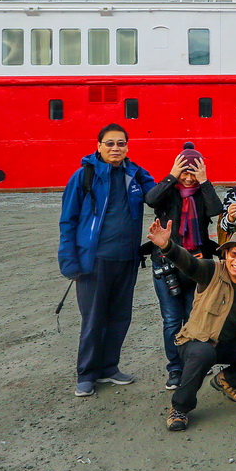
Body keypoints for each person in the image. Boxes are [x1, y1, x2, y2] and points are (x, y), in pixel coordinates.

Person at [145, 220, 236, 431]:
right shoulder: (210, 271)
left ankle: (227, 380)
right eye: (234, 254)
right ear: (226, 255)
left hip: (230, 343)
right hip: (198, 341)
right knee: (203, 355)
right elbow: (188, 263)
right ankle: (180, 408)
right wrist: (167, 246)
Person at [57, 124, 156, 397]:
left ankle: (109, 367)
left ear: (128, 147)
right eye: (110, 143)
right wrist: (69, 261)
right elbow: (68, 220)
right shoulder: (83, 176)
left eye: (121, 144)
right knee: (93, 319)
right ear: (98, 145)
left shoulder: (134, 174)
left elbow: (157, 195)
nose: (116, 148)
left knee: (120, 317)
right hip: (95, 260)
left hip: (127, 259)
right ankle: (87, 374)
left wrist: (179, 177)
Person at [143, 141, 224, 390]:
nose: (189, 179)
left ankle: (192, 363)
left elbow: (216, 209)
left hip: (196, 263)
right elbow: (150, 198)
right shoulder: (167, 193)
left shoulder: (201, 193)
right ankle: (175, 369)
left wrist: (204, 180)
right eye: (186, 173)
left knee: (194, 317)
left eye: (193, 172)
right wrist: (171, 175)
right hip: (167, 262)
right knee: (171, 319)